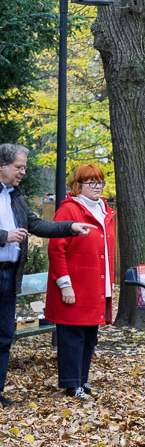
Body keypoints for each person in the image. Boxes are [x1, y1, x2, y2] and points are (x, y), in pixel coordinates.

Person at [0, 144, 92, 409]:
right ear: (2, 166)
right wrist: (4, 236)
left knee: (4, 338)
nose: (23, 172)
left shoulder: (14, 197)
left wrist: (71, 226)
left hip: (9, 276)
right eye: (18, 167)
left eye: (24, 167)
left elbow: (37, 225)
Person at [45, 164, 116, 401]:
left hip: (96, 286)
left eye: (100, 182)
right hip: (75, 287)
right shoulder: (69, 210)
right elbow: (56, 250)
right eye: (91, 182)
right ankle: (71, 383)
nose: (97, 187)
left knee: (89, 337)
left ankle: (81, 380)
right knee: (72, 337)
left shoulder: (105, 211)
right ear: (78, 185)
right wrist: (65, 284)